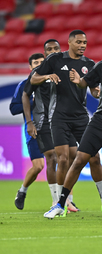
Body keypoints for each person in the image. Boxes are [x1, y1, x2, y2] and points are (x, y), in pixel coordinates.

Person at [43, 36, 102, 220]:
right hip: (99, 122)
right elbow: (87, 84)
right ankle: (60, 204)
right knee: (79, 160)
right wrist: (79, 81)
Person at [30, 30, 102, 212]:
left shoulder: (89, 64)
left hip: (81, 118)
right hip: (59, 117)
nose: (82, 45)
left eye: (85, 43)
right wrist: (47, 76)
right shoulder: (55, 60)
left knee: (95, 157)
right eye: (79, 42)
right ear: (70, 42)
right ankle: (59, 204)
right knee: (63, 159)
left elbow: (96, 90)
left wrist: (96, 92)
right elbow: (34, 78)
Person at [22, 39, 80, 212]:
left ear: (61, 49)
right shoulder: (38, 73)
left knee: (71, 157)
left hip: (64, 121)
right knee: (53, 158)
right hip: (43, 122)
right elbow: (25, 95)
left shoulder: (66, 68)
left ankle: (67, 198)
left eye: (56, 48)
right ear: (45, 53)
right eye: (49, 49)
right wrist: (29, 122)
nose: (53, 51)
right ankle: (56, 201)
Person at [10, 53, 45, 210]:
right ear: (30, 67)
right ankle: (22, 191)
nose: (38, 64)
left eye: (41, 62)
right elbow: (13, 108)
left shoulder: (53, 82)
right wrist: (31, 101)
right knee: (38, 166)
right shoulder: (25, 84)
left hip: (54, 128)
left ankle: (66, 200)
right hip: (34, 130)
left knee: (63, 161)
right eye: (35, 63)